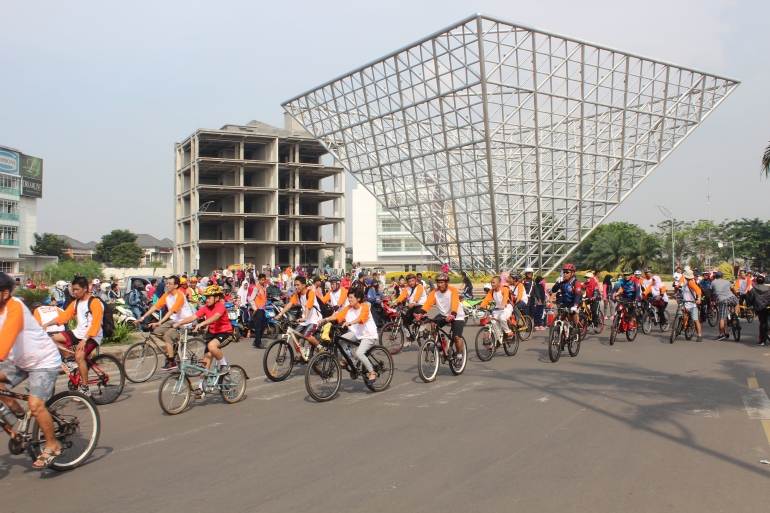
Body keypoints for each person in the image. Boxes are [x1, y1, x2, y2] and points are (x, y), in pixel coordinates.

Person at [0, 273, 65, 470]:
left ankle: (53, 445)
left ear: (4, 294)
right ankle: (16, 414)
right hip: (18, 360)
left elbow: (7, 337)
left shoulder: (15, 306)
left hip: (43, 361)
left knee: (35, 405)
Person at [41, 276, 103, 396]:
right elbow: (64, 317)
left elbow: (96, 324)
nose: (74, 292)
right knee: (51, 339)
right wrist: (47, 324)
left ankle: (85, 387)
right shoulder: (76, 303)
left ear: (85, 288)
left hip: (92, 335)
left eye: (76, 289)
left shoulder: (95, 303)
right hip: (78, 332)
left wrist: (84, 340)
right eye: (73, 290)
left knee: (79, 356)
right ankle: (69, 359)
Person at [172, 285, 233, 398]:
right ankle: (201, 389)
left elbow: (215, 317)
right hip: (212, 334)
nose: (207, 300)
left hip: (225, 333)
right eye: (206, 298)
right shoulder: (205, 307)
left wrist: (202, 323)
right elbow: (193, 317)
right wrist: (179, 323)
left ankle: (224, 365)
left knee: (211, 346)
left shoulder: (220, 306)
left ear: (216, 298)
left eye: (209, 297)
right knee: (205, 364)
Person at [133, 276, 194, 371]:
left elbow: (172, 311)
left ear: (176, 285)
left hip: (184, 321)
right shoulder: (167, 295)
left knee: (167, 336)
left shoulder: (180, 295)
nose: (167, 285)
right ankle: (173, 345)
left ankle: (172, 361)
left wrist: (159, 322)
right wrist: (142, 317)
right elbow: (155, 306)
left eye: (170, 283)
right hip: (173, 320)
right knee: (156, 331)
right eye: (167, 283)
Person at [319, 288, 378, 384]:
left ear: (358, 299)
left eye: (351, 298)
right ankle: (350, 358)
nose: (349, 300)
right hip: (357, 333)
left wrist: (350, 322)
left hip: (369, 335)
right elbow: (338, 315)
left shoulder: (365, 307)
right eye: (348, 298)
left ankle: (372, 372)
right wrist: (324, 320)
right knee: (341, 341)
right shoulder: (349, 308)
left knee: (360, 353)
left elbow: (361, 318)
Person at [416, 273, 465, 367]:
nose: (439, 285)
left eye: (442, 282)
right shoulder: (435, 292)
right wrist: (421, 313)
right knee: (432, 324)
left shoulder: (452, 290)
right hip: (443, 315)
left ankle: (459, 356)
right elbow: (428, 303)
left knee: (456, 337)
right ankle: (439, 344)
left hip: (457, 315)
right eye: (438, 282)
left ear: (447, 282)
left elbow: (455, 302)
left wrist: (453, 314)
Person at [275, 276, 323, 352]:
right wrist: (279, 314)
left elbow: (308, 305)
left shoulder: (310, 292)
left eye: (298, 285)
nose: (296, 287)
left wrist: (305, 317)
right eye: (295, 285)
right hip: (305, 318)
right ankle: (299, 354)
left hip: (314, 318)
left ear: (304, 285)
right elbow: (290, 304)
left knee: (306, 335)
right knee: (294, 335)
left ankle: (320, 347)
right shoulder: (297, 294)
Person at [392, 273, 427, 345]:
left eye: (412, 281)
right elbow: (402, 296)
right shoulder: (407, 287)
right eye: (409, 281)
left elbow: (418, 295)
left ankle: (422, 324)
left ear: (415, 280)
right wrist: (395, 303)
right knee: (405, 322)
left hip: (421, 305)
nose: (411, 283)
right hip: (412, 306)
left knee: (415, 313)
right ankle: (408, 340)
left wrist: (414, 302)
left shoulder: (419, 286)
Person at [552, 263, 584, 328]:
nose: (565, 274)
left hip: (574, 301)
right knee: (561, 315)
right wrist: (557, 283)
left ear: (572, 273)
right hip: (565, 302)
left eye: (567, 272)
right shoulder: (562, 282)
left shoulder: (576, 283)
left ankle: (575, 327)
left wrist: (575, 306)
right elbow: (554, 290)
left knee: (572, 312)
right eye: (564, 272)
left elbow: (577, 295)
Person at [711, 271, 738, 341]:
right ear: (722, 276)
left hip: (722, 300)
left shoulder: (713, 282)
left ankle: (721, 334)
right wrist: (737, 296)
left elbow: (711, 292)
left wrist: (712, 299)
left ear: (715, 277)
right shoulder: (727, 282)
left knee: (722, 318)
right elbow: (733, 290)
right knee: (737, 302)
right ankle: (736, 315)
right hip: (732, 297)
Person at [746, 274, 770, 346]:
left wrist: (749, 305)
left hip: (760, 308)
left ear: (756, 281)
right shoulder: (768, 289)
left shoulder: (753, 289)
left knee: (762, 324)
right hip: (768, 307)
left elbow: (749, 299)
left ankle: (762, 340)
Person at [249, 274, 268, 348]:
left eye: (264, 279)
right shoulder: (256, 288)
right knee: (258, 327)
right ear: (259, 280)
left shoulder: (264, 287)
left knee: (264, 325)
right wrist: (254, 308)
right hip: (258, 309)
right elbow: (251, 299)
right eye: (261, 280)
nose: (262, 281)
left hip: (263, 309)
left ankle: (256, 340)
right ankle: (258, 343)